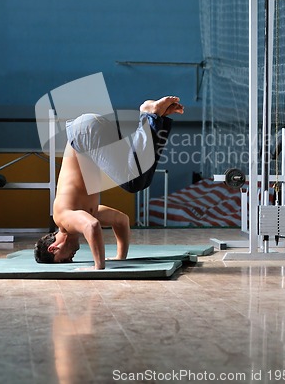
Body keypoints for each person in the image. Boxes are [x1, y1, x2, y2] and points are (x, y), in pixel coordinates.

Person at [34, 96, 184, 269]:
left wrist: (98, 267)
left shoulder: (64, 219)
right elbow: (121, 220)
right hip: (91, 129)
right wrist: (120, 257)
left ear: (53, 248)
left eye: (64, 259)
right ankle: (158, 117)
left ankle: (149, 115)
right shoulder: (85, 212)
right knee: (141, 180)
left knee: (133, 181)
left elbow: (92, 226)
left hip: (83, 134)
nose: (70, 259)